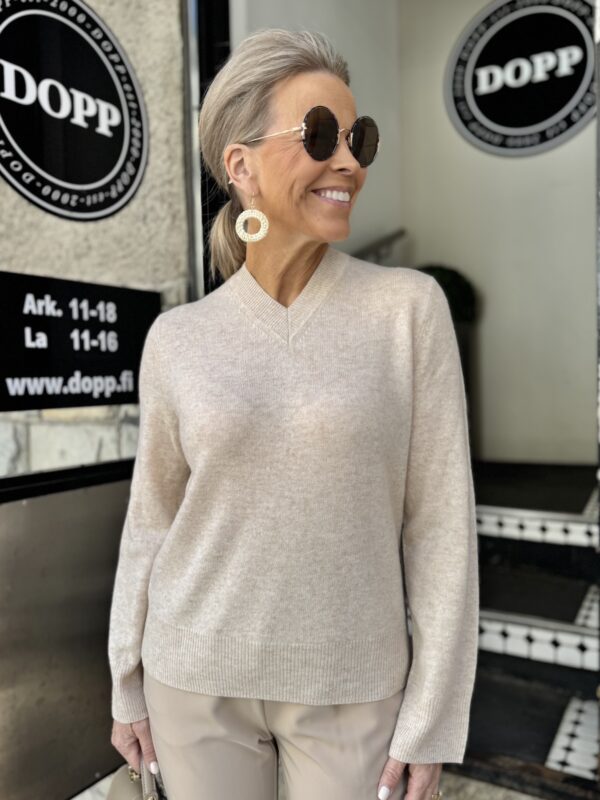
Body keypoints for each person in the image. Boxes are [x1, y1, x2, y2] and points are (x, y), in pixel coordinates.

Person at [108, 27, 479, 800]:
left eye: (357, 139)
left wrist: (433, 717)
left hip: (352, 683)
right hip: (192, 678)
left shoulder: (408, 310)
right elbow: (152, 520)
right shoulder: (178, 338)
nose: (349, 162)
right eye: (319, 135)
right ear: (240, 166)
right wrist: (126, 680)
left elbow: (440, 525)